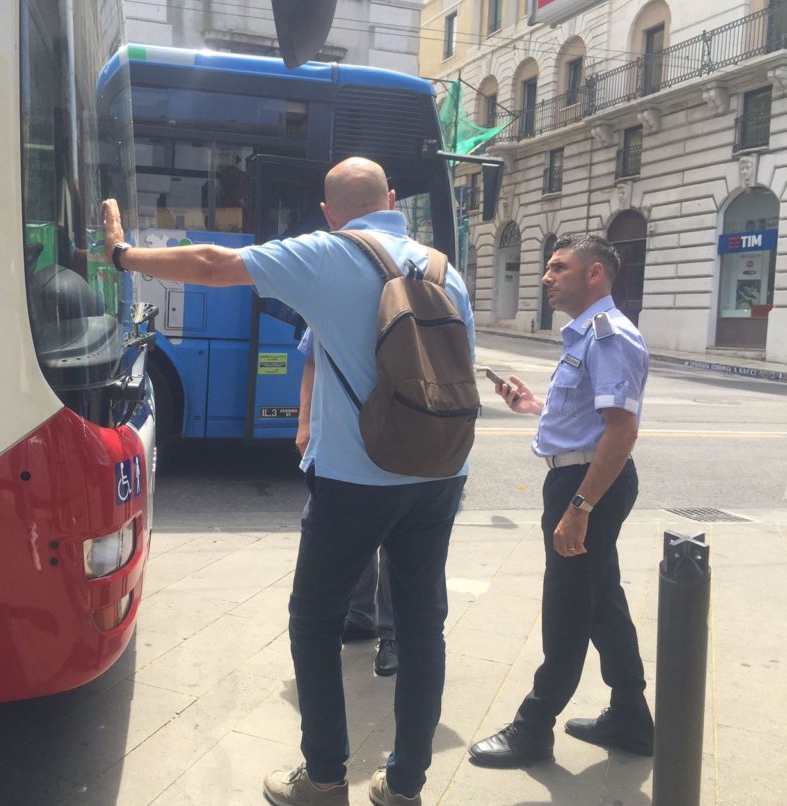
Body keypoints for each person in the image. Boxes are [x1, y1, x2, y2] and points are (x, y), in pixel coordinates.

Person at [101, 156, 475, 806]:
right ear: (392, 198)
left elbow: (215, 265)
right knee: (421, 627)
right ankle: (405, 785)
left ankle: (325, 776)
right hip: (442, 470)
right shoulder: (445, 269)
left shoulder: (329, 253)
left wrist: (122, 255)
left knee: (315, 619)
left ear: (331, 213)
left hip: (359, 477)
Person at [468, 234, 654, 768]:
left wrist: (580, 508)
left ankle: (533, 727)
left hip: (589, 485)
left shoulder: (609, 335)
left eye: (558, 268)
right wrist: (533, 405)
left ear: (594, 274)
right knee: (601, 600)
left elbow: (620, 432)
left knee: (567, 605)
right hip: (582, 479)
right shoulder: (584, 337)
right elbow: (587, 417)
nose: (546, 277)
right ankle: (631, 717)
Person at [297, 327, 397, 677]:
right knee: (353, 529)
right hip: (343, 435)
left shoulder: (426, 285)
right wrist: (304, 421)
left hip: (404, 430)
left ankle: (392, 632)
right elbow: (312, 358)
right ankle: (360, 616)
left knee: (394, 534)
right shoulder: (334, 281)